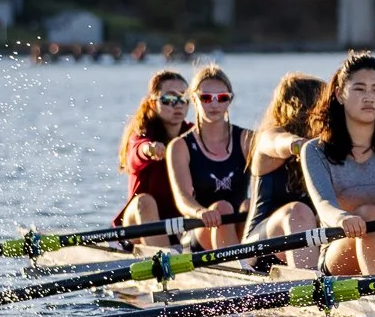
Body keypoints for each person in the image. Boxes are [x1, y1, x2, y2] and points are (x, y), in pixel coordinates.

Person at [301, 52, 375, 276]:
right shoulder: (315, 151)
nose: (369, 97)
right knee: (369, 214)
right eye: (359, 89)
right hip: (340, 249)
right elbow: (324, 205)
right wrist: (344, 218)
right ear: (340, 94)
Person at [164, 64, 252, 250]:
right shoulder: (180, 146)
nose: (214, 104)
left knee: (249, 205)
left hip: (239, 226)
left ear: (229, 100)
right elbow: (182, 198)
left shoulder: (246, 139)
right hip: (199, 229)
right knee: (222, 207)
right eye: (205, 98)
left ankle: (246, 264)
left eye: (221, 98)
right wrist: (201, 211)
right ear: (194, 100)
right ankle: (240, 267)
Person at [241, 73, 326, 267]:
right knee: (297, 212)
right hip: (257, 249)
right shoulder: (268, 138)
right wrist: (300, 145)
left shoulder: (327, 146)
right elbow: (279, 143)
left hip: (304, 243)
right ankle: (309, 289)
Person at [114, 69, 189, 228]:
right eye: (169, 99)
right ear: (152, 103)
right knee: (145, 202)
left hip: (180, 227)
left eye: (183, 98)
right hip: (137, 226)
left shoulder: (194, 135)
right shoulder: (141, 134)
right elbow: (136, 152)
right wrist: (150, 150)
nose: (177, 105)